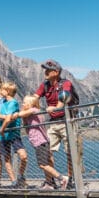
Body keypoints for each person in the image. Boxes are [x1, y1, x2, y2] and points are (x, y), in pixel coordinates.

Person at [33, 59, 76, 189]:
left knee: (70, 152)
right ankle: (50, 181)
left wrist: (55, 107)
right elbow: (35, 97)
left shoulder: (66, 84)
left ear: (56, 72)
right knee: (47, 152)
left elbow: (63, 100)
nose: (45, 72)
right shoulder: (45, 85)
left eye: (48, 70)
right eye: (45, 69)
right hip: (53, 123)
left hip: (67, 121)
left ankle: (71, 180)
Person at [12, 95, 69, 190]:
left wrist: (16, 114)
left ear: (31, 104)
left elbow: (24, 113)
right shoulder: (29, 115)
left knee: (43, 165)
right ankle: (49, 183)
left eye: (25, 102)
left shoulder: (34, 110)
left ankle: (62, 178)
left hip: (40, 142)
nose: (22, 104)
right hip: (41, 142)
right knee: (47, 163)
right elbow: (26, 122)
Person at [0, 82, 28, 188]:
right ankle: (14, 181)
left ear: (7, 91)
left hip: (13, 134)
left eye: (2, 89)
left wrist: (2, 129)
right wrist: (6, 117)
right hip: (4, 136)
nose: (0, 91)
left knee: (23, 156)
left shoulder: (13, 102)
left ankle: (20, 176)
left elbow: (8, 119)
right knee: (7, 158)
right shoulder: (2, 102)